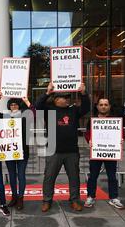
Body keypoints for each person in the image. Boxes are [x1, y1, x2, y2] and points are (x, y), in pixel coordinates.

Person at [35, 82, 90, 212]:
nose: (67, 99)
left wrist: (83, 93)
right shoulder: (49, 110)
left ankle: (74, 200)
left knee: (74, 177)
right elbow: (37, 106)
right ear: (55, 99)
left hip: (71, 151)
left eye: (68, 97)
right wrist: (47, 92)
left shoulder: (73, 110)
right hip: (53, 150)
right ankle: (47, 200)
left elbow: (86, 108)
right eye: (64, 97)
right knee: (49, 177)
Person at [0, 93, 34, 210]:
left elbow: (34, 114)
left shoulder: (25, 116)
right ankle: (14, 197)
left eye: (16, 104)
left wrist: (27, 102)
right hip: (9, 151)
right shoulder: (5, 116)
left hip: (22, 150)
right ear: (8, 106)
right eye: (11, 105)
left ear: (19, 105)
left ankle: (21, 198)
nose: (13, 106)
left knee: (21, 175)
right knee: (12, 175)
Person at [84, 98, 125, 209]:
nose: (103, 106)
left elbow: (121, 133)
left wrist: (121, 139)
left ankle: (114, 198)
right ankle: (90, 196)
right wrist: (89, 140)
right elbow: (87, 133)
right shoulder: (92, 120)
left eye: (106, 104)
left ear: (109, 106)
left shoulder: (115, 120)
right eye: (101, 104)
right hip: (96, 151)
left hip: (110, 152)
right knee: (93, 176)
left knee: (112, 176)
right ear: (97, 106)